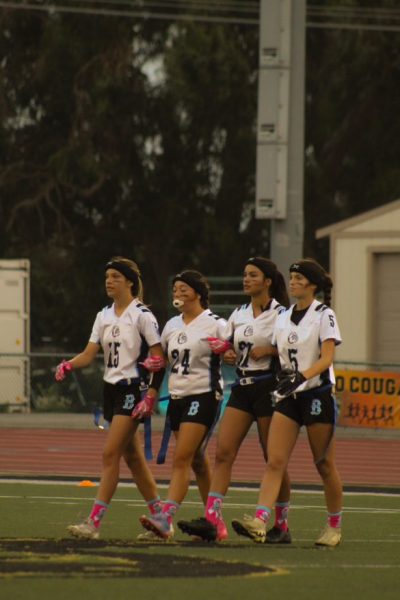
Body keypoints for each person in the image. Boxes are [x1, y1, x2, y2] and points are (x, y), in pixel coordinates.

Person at [177, 257, 292, 543]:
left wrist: (271, 350)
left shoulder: (282, 313)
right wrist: (226, 353)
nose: (246, 279)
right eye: (244, 275)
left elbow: (294, 348)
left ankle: (281, 524)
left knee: (272, 457)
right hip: (242, 387)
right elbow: (226, 347)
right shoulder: (239, 313)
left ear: (267, 281)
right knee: (223, 453)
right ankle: (213, 519)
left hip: (268, 387)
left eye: (253, 275)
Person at [231, 258, 343, 547]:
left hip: (316, 395)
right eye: (291, 277)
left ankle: (334, 526)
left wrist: (302, 376)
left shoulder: (324, 314)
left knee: (324, 464)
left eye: (298, 278)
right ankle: (260, 519)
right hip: (289, 397)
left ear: (313, 284)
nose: (292, 282)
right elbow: (276, 353)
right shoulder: (283, 315)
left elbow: (327, 358)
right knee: (275, 460)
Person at [55, 256, 165, 540]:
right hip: (111, 389)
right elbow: (90, 353)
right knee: (134, 459)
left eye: (116, 276)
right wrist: (68, 364)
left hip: (133, 390)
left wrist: (150, 393)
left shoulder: (142, 315)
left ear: (129, 281)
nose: (109, 281)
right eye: (107, 276)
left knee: (110, 453)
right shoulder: (103, 315)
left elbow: (158, 357)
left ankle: (94, 523)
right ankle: (161, 517)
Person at [138, 270, 227, 540]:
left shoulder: (215, 323)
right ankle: (216, 524)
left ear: (197, 293)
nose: (178, 293)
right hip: (177, 397)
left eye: (184, 288)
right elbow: (161, 362)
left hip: (204, 394)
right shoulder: (172, 325)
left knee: (182, 458)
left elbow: (233, 351)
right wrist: (152, 389)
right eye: (175, 288)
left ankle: (165, 518)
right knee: (198, 461)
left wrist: (229, 349)